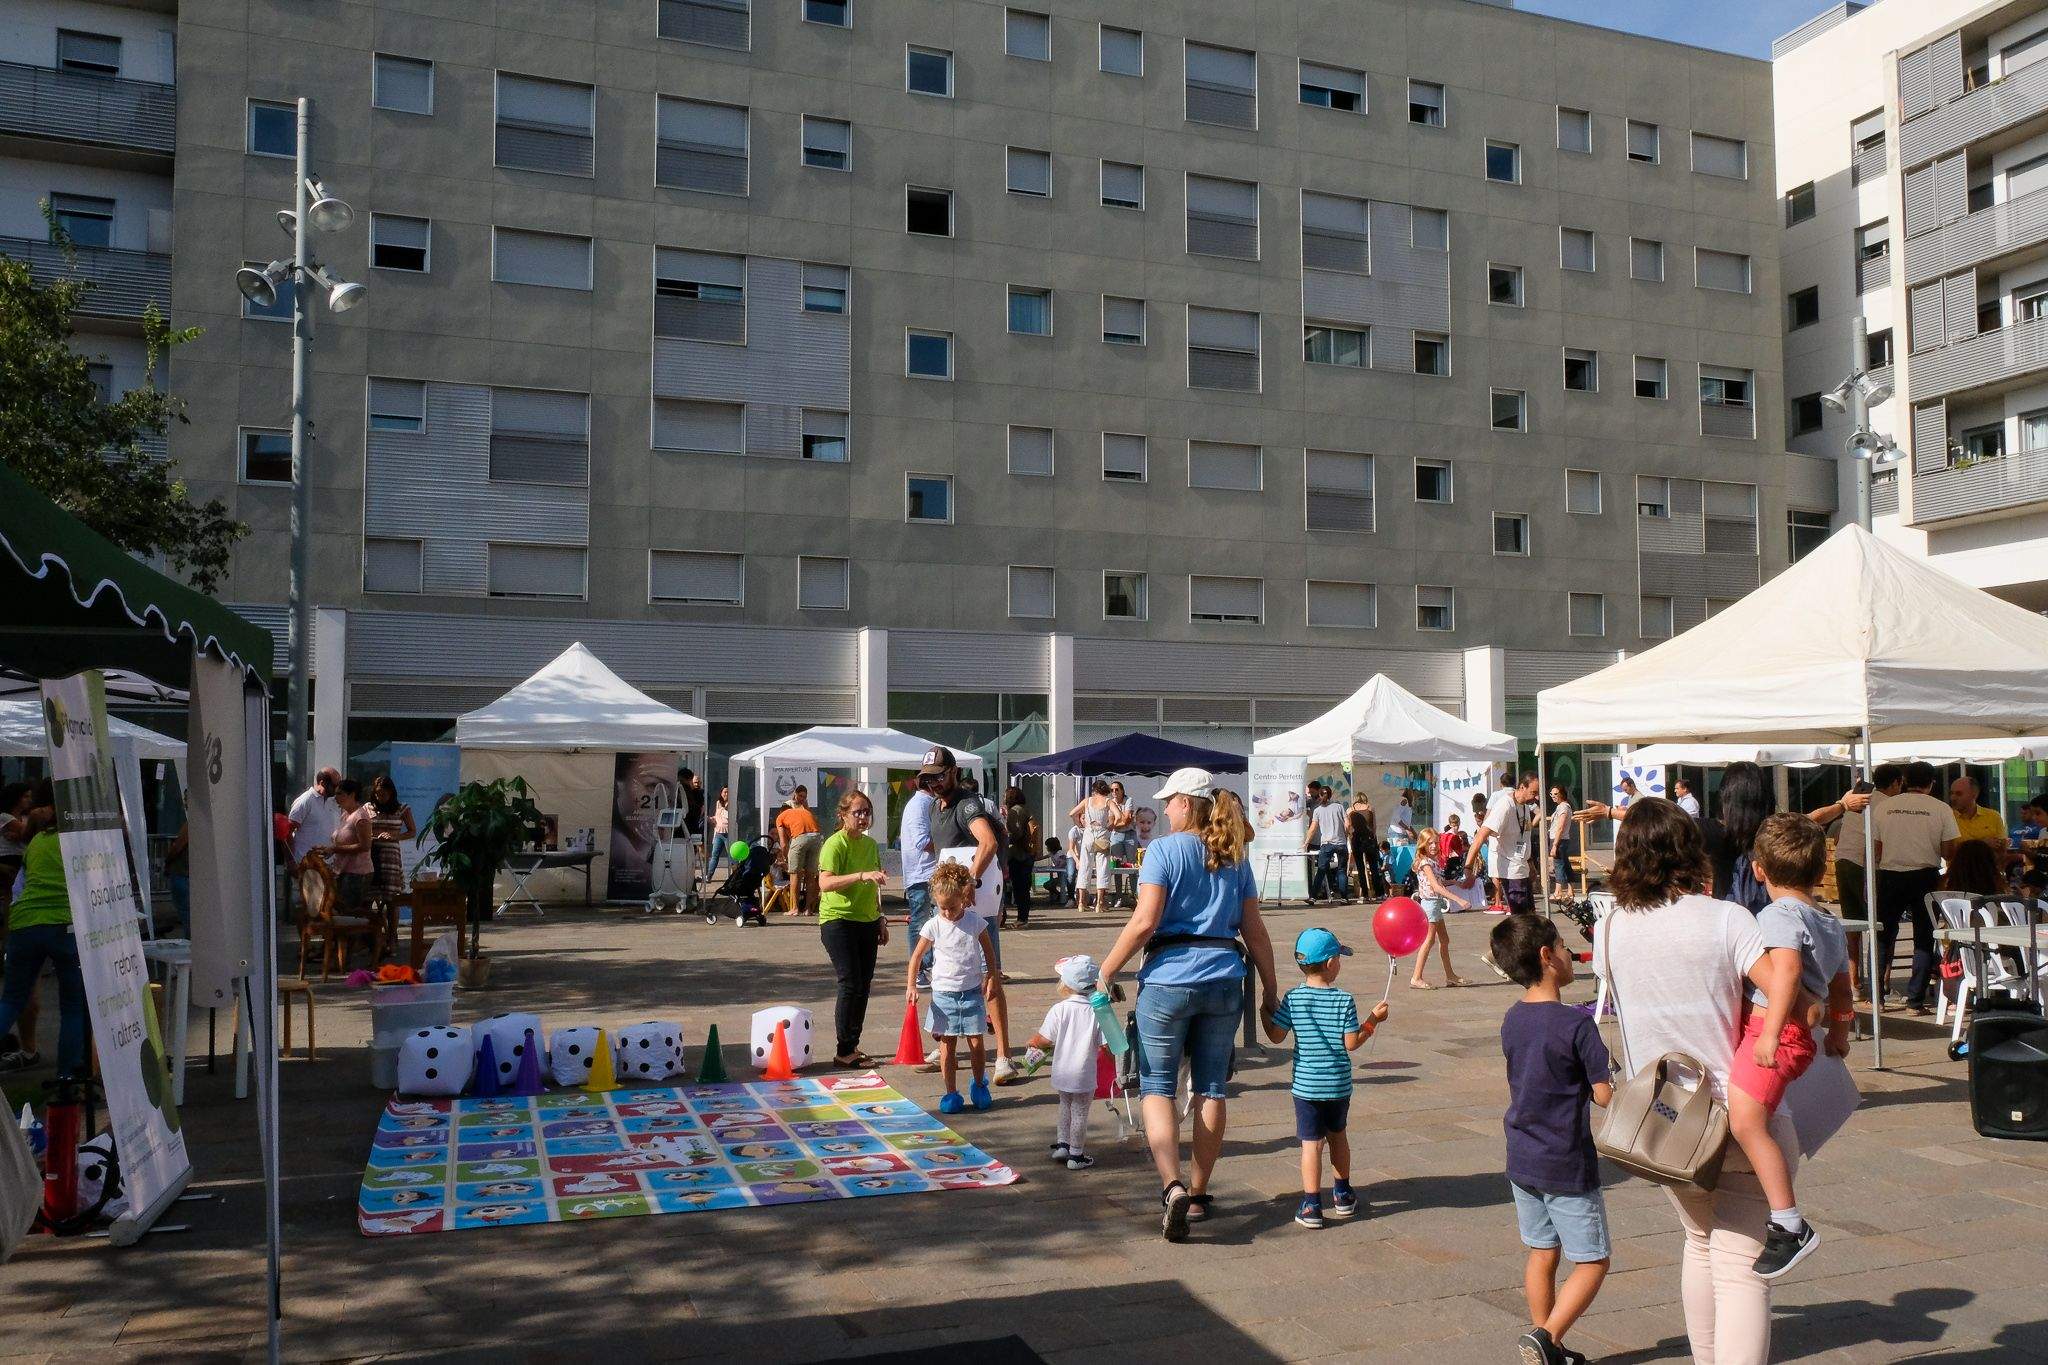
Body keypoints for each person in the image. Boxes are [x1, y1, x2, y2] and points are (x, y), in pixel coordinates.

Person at [1600, 798, 1797, 1365]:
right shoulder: (1727, 918)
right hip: (1730, 1111)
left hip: (1663, 1121)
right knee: (1740, 1266)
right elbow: (1783, 991)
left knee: (1700, 1241)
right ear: (1690, 850)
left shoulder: (1611, 927)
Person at [1098, 767, 1279, 1242]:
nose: (1164, 809)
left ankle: (1172, 1186)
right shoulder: (1234, 856)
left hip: (1168, 979)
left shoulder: (1162, 850)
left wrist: (1107, 970)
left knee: (1157, 1085)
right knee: (1212, 1087)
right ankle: (1198, 1193)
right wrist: (1270, 988)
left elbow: (1144, 921)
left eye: (1169, 801)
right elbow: (1255, 930)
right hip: (1224, 978)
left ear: (1185, 803)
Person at [1730, 814, 1852, 1279]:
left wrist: (1769, 1032)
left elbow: (1786, 973)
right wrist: (1839, 1035)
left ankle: (1788, 1223)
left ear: (1758, 870)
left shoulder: (1777, 916)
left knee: (1746, 1122)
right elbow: (1842, 989)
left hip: (1774, 1031)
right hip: (1798, 1037)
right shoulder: (1830, 922)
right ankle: (1782, 1212)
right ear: (1820, 871)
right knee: (1756, 1117)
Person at [1490, 912, 1612, 1365]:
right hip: (1565, 1159)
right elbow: (1603, 1095)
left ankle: (1550, 1351)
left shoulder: (1513, 1018)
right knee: (1593, 1260)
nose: (1569, 953)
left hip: (1522, 1155)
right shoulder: (1577, 1025)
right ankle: (1546, 1337)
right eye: (1562, 946)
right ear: (1547, 956)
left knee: (1542, 1252)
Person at [1263, 926, 1387, 1229]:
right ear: (1331, 963)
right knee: (1338, 1137)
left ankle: (1311, 1205)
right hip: (1338, 1085)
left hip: (1306, 1086)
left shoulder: (1293, 999)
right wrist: (1373, 1020)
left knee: (1311, 1145)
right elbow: (1351, 1043)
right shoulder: (1344, 1000)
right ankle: (1343, 1194)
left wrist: (1265, 1013)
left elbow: (1277, 1036)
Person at [920, 749, 1018, 1082]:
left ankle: (1003, 1056)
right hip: (947, 909)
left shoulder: (966, 805)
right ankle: (946, 1041)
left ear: (954, 772)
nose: (934, 783)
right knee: (946, 974)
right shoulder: (935, 807)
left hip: (976, 908)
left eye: (939, 775)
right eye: (928, 778)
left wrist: (970, 880)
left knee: (990, 976)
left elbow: (988, 842)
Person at [0, 799, 88, 1078]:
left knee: (12, 999)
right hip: (64, 924)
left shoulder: (37, 841)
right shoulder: (81, 841)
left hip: (25, 923)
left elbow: (24, 880)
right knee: (73, 1007)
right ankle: (66, 1079)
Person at [905, 861, 998, 1113]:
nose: (947, 913)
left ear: (963, 898)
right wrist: (911, 985)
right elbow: (916, 957)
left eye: (952, 907)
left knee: (976, 1042)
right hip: (944, 994)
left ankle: (979, 1085)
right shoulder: (933, 924)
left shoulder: (975, 922)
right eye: (942, 907)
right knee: (947, 1045)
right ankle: (950, 1092)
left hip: (971, 992)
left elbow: (989, 952)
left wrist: (991, 976)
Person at [1873, 762, 1959, 1012]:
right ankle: (1915, 1001)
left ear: (1905, 781)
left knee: (1882, 936)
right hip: (1925, 876)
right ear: (1931, 783)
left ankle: (1877, 998)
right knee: (1924, 937)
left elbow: (1876, 849)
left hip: (1890, 874)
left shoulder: (1884, 807)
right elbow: (1949, 851)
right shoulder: (1941, 808)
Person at [817, 789, 891, 1067]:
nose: (863, 818)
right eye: (857, 812)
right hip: (838, 920)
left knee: (863, 984)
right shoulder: (835, 844)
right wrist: (860, 875)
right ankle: (844, 1049)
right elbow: (825, 883)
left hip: (866, 920)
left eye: (867, 812)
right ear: (843, 815)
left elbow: (875, 884)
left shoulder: (870, 845)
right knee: (850, 982)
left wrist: (880, 918)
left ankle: (852, 1044)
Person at [1022, 953, 1107, 1169]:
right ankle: (1076, 1155)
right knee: (1080, 1111)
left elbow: (1044, 1039)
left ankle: (1063, 1144)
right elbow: (1108, 1045)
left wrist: (1032, 1042)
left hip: (1062, 1070)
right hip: (1084, 1072)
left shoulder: (1059, 1009)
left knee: (1064, 1105)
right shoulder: (1098, 1012)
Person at [1473, 771, 1540, 915]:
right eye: (1533, 792)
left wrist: (1531, 864)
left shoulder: (1525, 806)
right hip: (1511, 870)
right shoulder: (1505, 805)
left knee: (1530, 914)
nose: (1536, 797)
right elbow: (1481, 834)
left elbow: (1524, 838)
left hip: (1522, 867)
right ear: (1522, 787)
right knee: (1521, 917)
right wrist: (1468, 867)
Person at [1410, 829, 1469, 989]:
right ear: (1423, 844)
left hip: (1435, 904)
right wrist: (1458, 899)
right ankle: (1416, 977)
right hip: (1430, 905)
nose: (1434, 846)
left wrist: (1453, 883)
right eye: (1430, 843)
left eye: (1436, 842)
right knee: (1429, 941)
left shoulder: (1433, 861)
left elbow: (1439, 883)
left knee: (1444, 940)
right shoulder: (1425, 863)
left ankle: (1450, 976)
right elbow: (1435, 886)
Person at [900, 775, 937, 988]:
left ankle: (928, 965)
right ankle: (918, 970)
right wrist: (947, 842)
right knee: (919, 922)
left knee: (933, 921)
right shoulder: (919, 805)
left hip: (928, 872)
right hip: (921, 873)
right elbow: (922, 841)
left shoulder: (927, 803)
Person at [323, 779, 376, 912]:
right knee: (339, 910)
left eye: (340, 794)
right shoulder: (345, 815)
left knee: (349, 914)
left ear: (352, 795)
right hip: (343, 871)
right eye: (335, 794)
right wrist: (327, 849)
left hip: (357, 874)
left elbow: (365, 846)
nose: (336, 798)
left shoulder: (361, 817)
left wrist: (334, 849)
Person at [368, 774, 416, 909]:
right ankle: (371, 921)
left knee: (392, 898)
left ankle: (392, 923)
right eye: (377, 794)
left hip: (391, 857)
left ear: (391, 793)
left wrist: (394, 837)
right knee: (369, 895)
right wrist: (373, 837)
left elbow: (412, 831)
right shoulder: (368, 808)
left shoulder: (402, 808)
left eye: (383, 794)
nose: (380, 798)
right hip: (372, 855)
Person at [773, 786, 823, 916]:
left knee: (794, 874)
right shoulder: (804, 811)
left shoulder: (780, 817)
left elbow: (783, 843)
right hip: (817, 837)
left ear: (781, 810)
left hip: (801, 838)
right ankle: (808, 909)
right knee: (810, 875)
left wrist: (786, 858)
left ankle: (794, 908)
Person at [1071, 779, 1117, 916]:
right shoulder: (1108, 801)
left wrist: (1080, 825)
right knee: (1102, 868)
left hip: (1088, 835)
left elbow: (1072, 813)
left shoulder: (1087, 801)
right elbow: (1119, 816)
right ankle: (1099, 903)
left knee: (1085, 867)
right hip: (1102, 835)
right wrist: (1110, 826)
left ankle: (1081, 903)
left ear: (1094, 790)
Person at [1302, 783, 1349, 903]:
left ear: (1319, 795)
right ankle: (1344, 897)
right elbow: (1347, 824)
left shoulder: (1317, 810)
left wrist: (1306, 842)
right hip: (1341, 843)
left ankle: (1313, 896)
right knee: (1342, 871)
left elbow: (1313, 828)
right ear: (1330, 795)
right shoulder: (1339, 807)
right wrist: (1346, 834)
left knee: (1321, 870)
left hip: (1326, 843)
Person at [287, 766, 342, 865]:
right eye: (334, 785)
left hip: (327, 863)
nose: (337, 789)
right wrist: (291, 861)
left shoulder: (333, 801)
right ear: (322, 783)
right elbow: (288, 832)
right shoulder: (305, 801)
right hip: (305, 863)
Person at [1003, 786, 1036, 927]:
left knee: (1019, 888)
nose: (1004, 798)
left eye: (1005, 796)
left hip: (1018, 855)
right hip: (1027, 853)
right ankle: (1023, 917)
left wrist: (1004, 837)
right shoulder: (1025, 809)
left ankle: (1022, 919)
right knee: (1024, 887)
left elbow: (1016, 833)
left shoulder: (1014, 811)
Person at [1949, 775, 2007, 853]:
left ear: (1974, 795)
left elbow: (2002, 850)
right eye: (1951, 793)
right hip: (1960, 861)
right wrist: (1982, 843)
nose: (1953, 798)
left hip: (1988, 861)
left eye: (1959, 794)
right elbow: (1948, 852)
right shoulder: (1948, 818)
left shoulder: (1993, 816)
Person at [1346, 791, 1383, 900]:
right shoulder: (1370, 808)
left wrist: (1350, 836)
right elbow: (1374, 826)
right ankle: (1378, 893)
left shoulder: (1350, 810)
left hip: (1356, 839)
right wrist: (1373, 836)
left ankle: (1364, 894)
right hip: (1369, 839)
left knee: (1360, 867)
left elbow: (1348, 826)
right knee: (1373, 867)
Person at [1547, 785, 1578, 901]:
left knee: (1558, 865)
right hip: (1560, 839)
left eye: (1556, 794)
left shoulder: (1563, 807)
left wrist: (1555, 845)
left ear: (1562, 794)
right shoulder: (1561, 807)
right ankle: (1570, 890)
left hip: (1559, 839)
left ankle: (1558, 891)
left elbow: (1560, 827)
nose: (1553, 796)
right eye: (1551, 794)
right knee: (1565, 864)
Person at [703, 787, 732, 882]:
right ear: (721, 793)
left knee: (732, 856)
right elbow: (718, 817)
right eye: (725, 792)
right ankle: (709, 876)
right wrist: (711, 819)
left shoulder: (732, 804)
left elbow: (730, 818)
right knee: (714, 855)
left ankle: (735, 876)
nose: (726, 794)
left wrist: (726, 808)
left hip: (728, 833)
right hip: (718, 833)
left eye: (728, 792)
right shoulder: (718, 803)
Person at [1044, 837, 1074, 906]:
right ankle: (1059, 895)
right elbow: (1043, 857)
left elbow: (1063, 861)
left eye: (1047, 846)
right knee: (1047, 885)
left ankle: (1062, 897)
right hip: (1060, 876)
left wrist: (1056, 867)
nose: (1046, 848)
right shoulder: (1051, 853)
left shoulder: (1060, 853)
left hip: (1065, 877)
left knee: (1049, 884)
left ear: (1051, 846)